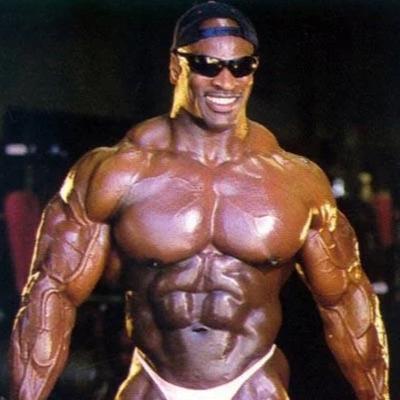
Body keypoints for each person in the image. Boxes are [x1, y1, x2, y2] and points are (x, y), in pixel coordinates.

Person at [10, 1, 389, 399]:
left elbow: (346, 302)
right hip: (154, 380)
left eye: (241, 67)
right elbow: (51, 295)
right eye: (207, 65)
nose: (226, 82)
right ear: (177, 67)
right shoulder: (115, 172)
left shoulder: (297, 180)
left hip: (253, 380)